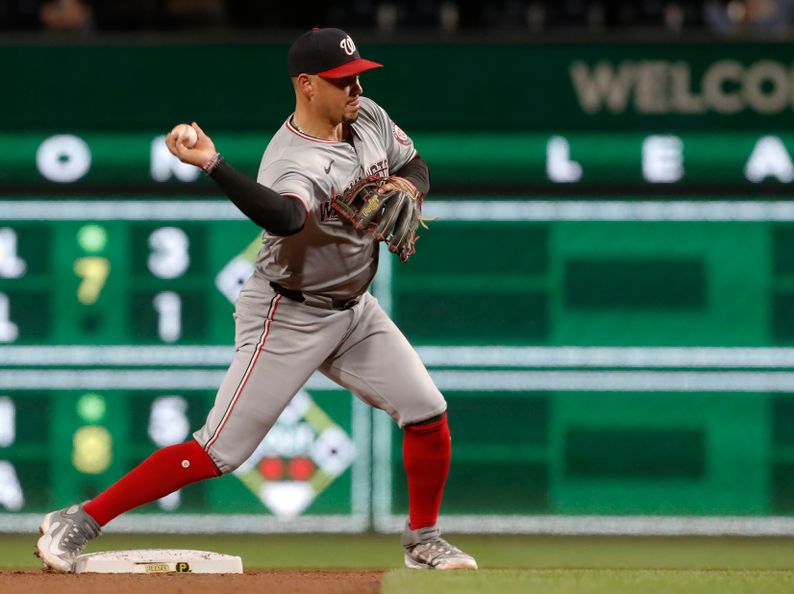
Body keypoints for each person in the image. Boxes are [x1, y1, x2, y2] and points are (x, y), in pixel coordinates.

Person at [35, 27, 477, 572]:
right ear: (308, 85)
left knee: (427, 412)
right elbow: (287, 217)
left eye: (358, 74)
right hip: (287, 313)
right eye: (342, 80)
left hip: (355, 311)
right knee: (217, 451)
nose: (355, 87)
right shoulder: (293, 159)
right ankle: (80, 519)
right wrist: (215, 165)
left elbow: (415, 165)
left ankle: (423, 541)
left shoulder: (368, 117)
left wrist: (409, 187)